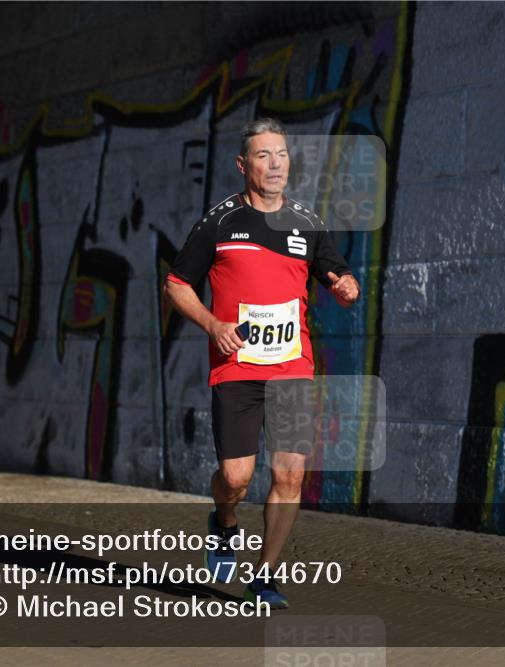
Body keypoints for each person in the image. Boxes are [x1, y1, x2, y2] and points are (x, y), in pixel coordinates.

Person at [163, 118, 360, 608]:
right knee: (235, 478)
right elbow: (176, 284)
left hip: (292, 367)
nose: (275, 165)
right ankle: (224, 521)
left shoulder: (307, 223)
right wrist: (213, 325)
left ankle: (265, 576)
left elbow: (339, 275)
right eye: (263, 155)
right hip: (237, 367)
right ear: (242, 164)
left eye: (282, 155)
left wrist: (346, 287)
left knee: (289, 476)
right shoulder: (219, 222)